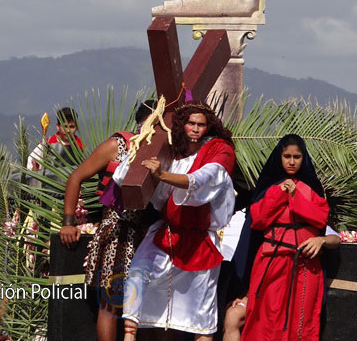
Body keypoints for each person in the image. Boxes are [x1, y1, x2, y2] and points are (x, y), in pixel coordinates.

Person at [116, 101, 236, 341]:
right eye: (191, 123)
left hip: (199, 242)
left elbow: (203, 179)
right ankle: (129, 337)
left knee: (201, 314)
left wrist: (162, 174)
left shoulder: (219, 150)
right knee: (138, 274)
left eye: (201, 124)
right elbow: (124, 174)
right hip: (166, 234)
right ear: (182, 124)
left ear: (209, 126)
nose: (196, 129)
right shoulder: (171, 148)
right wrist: (144, 149)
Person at [59, 101, 157, 341]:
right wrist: (69, 223)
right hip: (117, 232)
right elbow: (75, 178)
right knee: (111, 302)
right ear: (141, 123)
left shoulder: (164, 153)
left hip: (149, 235)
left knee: (147, 302)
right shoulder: (118, 145)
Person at [232, 134, 330, 341]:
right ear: (280, 157)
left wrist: (295, 196)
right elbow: (258, 220)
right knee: (267, 318)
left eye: (297, 157)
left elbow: (320, 218)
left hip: (304, 264)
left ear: (303, 158)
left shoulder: (312, 189)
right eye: (287, 156)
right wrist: (279, 194)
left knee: (301, 320)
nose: (292, 162)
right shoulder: (268, 188)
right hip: (271, 262)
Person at [222, 226, 340, 341]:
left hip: (296, 290)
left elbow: (336, 238)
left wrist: (321, 240)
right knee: (233, 316)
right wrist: (247, 294)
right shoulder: (267, 223)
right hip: (265, 289)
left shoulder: (309, 222)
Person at [28, 107, 83, 171]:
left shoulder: (80, 146)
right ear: (58, 126)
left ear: (76, 127)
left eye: (71, 127)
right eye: (65, 126)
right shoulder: (47, 145)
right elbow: (31, 167)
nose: (68, 130)